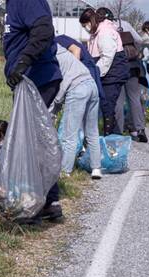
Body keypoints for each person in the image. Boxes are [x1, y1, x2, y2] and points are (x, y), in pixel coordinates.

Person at [3, 0, 63, 221]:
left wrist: (23, 62)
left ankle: (32, 204)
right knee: (35, 140)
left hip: (37, 77)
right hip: (27, 79)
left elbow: (44, 29)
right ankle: (48, 201)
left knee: (28, 142)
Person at [51, 44, 102, 179]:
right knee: (92, 131)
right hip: (92, 85)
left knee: (70, 134)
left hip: (77, 89)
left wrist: (53, 108)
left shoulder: (52, 58)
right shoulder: (64, 53)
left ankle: (65, 171)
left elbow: (62, 85)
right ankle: (96, 168)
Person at [80, 7, 129, 136]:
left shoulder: (105, 32)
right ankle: (112, 136)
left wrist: (95, 73)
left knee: (108, 106)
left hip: (112, 74)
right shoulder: (96, 33)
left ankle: (110, 138)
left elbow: (107, 57)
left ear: (91, 21)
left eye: (85, 25)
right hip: (108, 74)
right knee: (107, 106)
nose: (85, 28)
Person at [114, 16, 148, 143]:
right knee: (134, 99)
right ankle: (140, 130)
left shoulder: (105, 28)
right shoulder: (125, 24)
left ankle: (117, 131)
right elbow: (139, 40)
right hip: (133, 65)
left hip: (117, 67)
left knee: (118, 100)